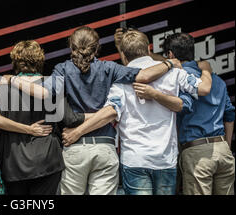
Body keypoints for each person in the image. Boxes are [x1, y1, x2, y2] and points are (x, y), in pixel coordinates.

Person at [10, 26, 184, 195]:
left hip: (75, 149)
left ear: (71, 46)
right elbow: (144, 76)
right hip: (105, 148)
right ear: (97, 47)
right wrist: (169, 63)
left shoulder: (63, 69)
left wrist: (12, 81)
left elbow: (44, 93)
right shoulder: (109, 68)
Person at [64, 29, 211, 195]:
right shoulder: (175, 73)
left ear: (124, 56)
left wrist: (77, 132)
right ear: (149, 49)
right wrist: (206, 69)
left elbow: (110, 112)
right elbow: (204, 88)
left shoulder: (121, 80)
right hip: (166, 159)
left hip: (135, 158)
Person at [0, 40, 86, 195]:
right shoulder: (50, 86)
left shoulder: (2, 90)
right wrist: (104, 113)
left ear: (15, 61)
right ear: (40, 60)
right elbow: (70, 119)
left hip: (15, 163)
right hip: (47, 160)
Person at [164, 33, 235, 195]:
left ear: (170, 55)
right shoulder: (217, 80)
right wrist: (227, 146)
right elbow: (230, 116)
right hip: (222, 148)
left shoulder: (176, 79)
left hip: (196, 152)